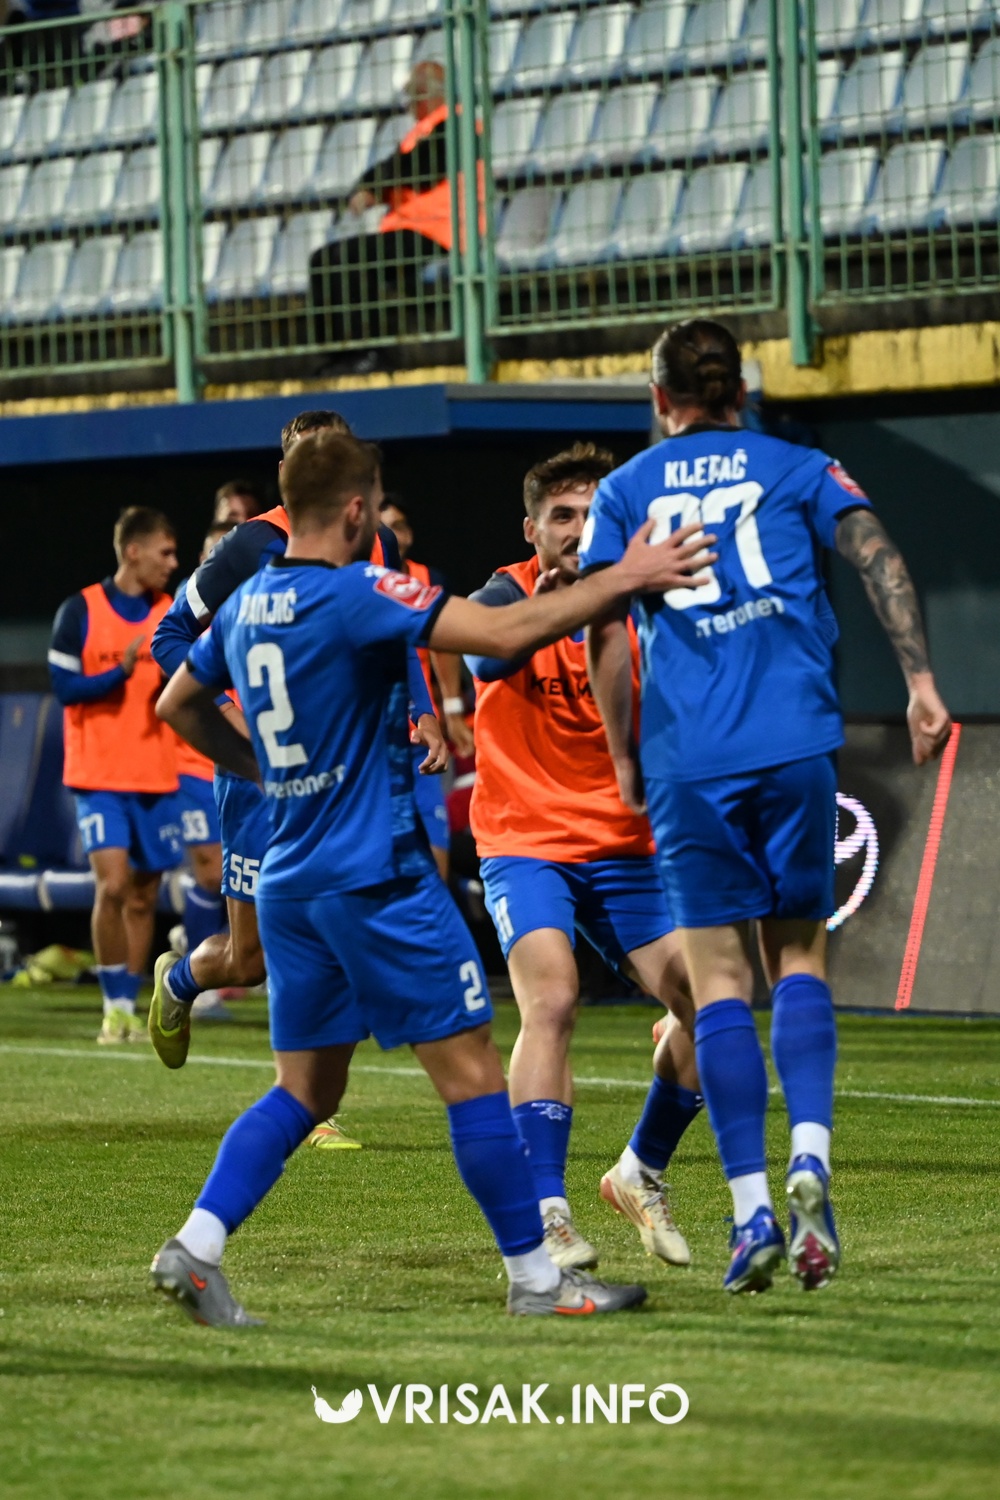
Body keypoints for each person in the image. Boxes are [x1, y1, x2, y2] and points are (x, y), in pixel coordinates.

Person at [149, 428, 712, 1325]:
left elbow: (175, 701)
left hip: (290, 877)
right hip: (377, 879)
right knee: (476, 1076)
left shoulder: (250, 600)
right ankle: (539, 1281)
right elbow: (503, 630)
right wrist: (627, 575)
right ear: (358, 508)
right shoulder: (360, 590)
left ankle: (195, 1246)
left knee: (307, 1090)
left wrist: (262, 770)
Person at [581, 319, 952, 1295]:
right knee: (800, 961)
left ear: (659, 400)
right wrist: (919, 682)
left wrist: (622, 752)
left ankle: (750, 1211)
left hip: (690, 758)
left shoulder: (625, 491)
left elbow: (604, 631)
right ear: (741, 393)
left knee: (718, 988)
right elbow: (876, 554)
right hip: (793, 742)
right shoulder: (798, 465)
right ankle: (810, 1162)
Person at [148, 411, 446, 1153]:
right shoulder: (251, 545)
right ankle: (181, 979)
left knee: (328, 920)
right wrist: (229, 711)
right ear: (287, 470)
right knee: (249, 957)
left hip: (346, 765)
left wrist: (427, 713)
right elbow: (170, 635)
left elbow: (400, 632)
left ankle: (313, 1101)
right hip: (260, 772)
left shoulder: (375, 541)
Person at [465, 443, 702, 1273]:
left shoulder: (649, 606)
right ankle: (546, 1212)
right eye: (561, 515)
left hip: (627, 845)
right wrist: (579, 596)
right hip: (526, 840)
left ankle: (639, 1172)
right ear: (531, 530)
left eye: (592, 514)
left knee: (712, 1006)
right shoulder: (503, 594)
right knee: (553, 999)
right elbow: (486, 652)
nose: (577, 529)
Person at [48, 506, 182, 1044]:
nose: (172, 563)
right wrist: (119, 673)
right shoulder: (79, 610)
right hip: (98, 776)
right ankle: (115, 1007)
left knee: (145, 896)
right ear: (133, 551)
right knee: (114, 885)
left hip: (157, 774)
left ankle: (131, 1002)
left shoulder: (172, 611)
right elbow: (65, 689)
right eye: (165, 552)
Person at [308, 61, 477, 358]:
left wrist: (374, 188)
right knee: (323, 260)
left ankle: (366, 353)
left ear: (426, 94)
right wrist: (373, 186)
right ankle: (333, 355)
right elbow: (397, 166)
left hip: (441, 233)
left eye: (413, 95)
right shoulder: (426, 131)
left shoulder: (457, 125)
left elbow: (420, 169)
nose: (409, 105)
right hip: (414, 230)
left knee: (351, 259)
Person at [378, 493, 474, 879]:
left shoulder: (426, 580)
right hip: (372, 741)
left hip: (420, 733)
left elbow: (442, 644)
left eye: (398, 526)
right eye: (384, 527)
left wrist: (450, 710)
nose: (392, 535)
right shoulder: (354, 583)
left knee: (436, 864)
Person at [170, 521, 231, 1020]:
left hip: (258, 759)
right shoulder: (189, 614)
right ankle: (196, 970)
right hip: (198, 759)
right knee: (211, 871)